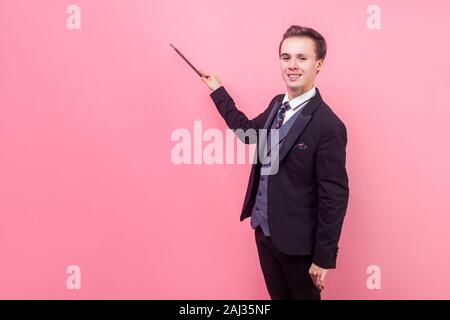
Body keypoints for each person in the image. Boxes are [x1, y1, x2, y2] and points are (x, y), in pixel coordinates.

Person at [199, 25, 349, 300]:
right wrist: (218, 90)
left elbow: (334, 196)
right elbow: (247, 133)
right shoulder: (277, 104)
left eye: (302, 58)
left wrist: (324, 257)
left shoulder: (329, 126)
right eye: (286, 57)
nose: (292, 65)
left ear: (319, 64)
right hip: (264, 234)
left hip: (300, 247)